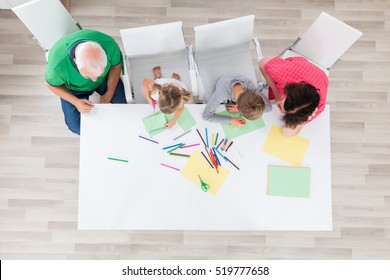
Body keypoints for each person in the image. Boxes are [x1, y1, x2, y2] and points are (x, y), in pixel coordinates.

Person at [45, 29, 127, 135]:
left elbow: (116, 67)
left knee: (124, 107)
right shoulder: (56, 66)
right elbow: (51, 85)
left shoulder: (110, 45)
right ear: (75, 61)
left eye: (98, 74)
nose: (94, 80)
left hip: (106, 79)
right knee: (77, 128)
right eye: (88, 75)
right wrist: (75, 102)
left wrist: (109, 92)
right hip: (74, 89)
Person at [259, 56, 328, 136]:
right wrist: (276, 93)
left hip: (319, 76)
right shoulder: (283, 74)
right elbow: (262, 62)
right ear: (287, 92)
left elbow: (287, 133)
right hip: (296, 66)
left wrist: (301, 122)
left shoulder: (320, 105)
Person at [202, 74, 272, 127]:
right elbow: (206, 116)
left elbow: (268, 108)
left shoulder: (252, 90)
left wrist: (241, 109)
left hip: (238, 79)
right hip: (223, 81)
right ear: (237, 108)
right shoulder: (221, 95)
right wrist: (231, 120)